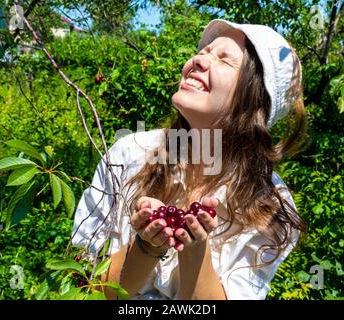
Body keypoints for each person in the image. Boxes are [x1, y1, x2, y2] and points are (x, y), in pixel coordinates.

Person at [71, 19, 307, 300]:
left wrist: (194, 250)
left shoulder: (268, 206)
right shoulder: (130, 153)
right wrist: (147, 246)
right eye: (204, 51)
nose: (198, 60)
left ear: (254, 100)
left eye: (223, 60)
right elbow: (83, 289)